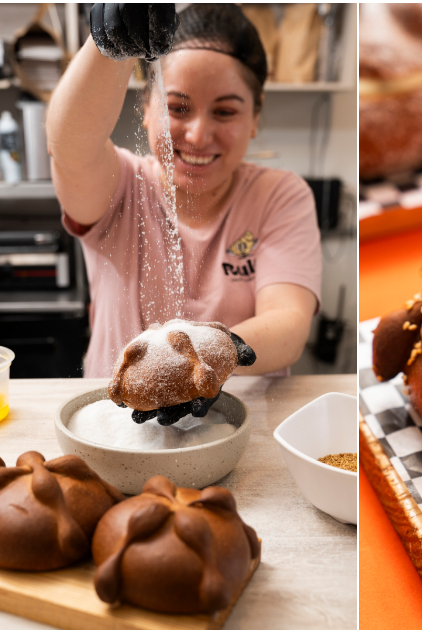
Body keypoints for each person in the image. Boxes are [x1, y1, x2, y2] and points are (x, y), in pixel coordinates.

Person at [47, 3, 321, 378]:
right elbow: (70, 147)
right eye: (177, 108)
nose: (197, 136)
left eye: (224, 112)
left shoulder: (279, 195)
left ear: (255, 119)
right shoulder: (121, 186)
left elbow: (288, 322)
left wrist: (205, 357)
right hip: (115, 425)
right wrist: (107, 43)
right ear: (146, 107)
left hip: (245, 421)